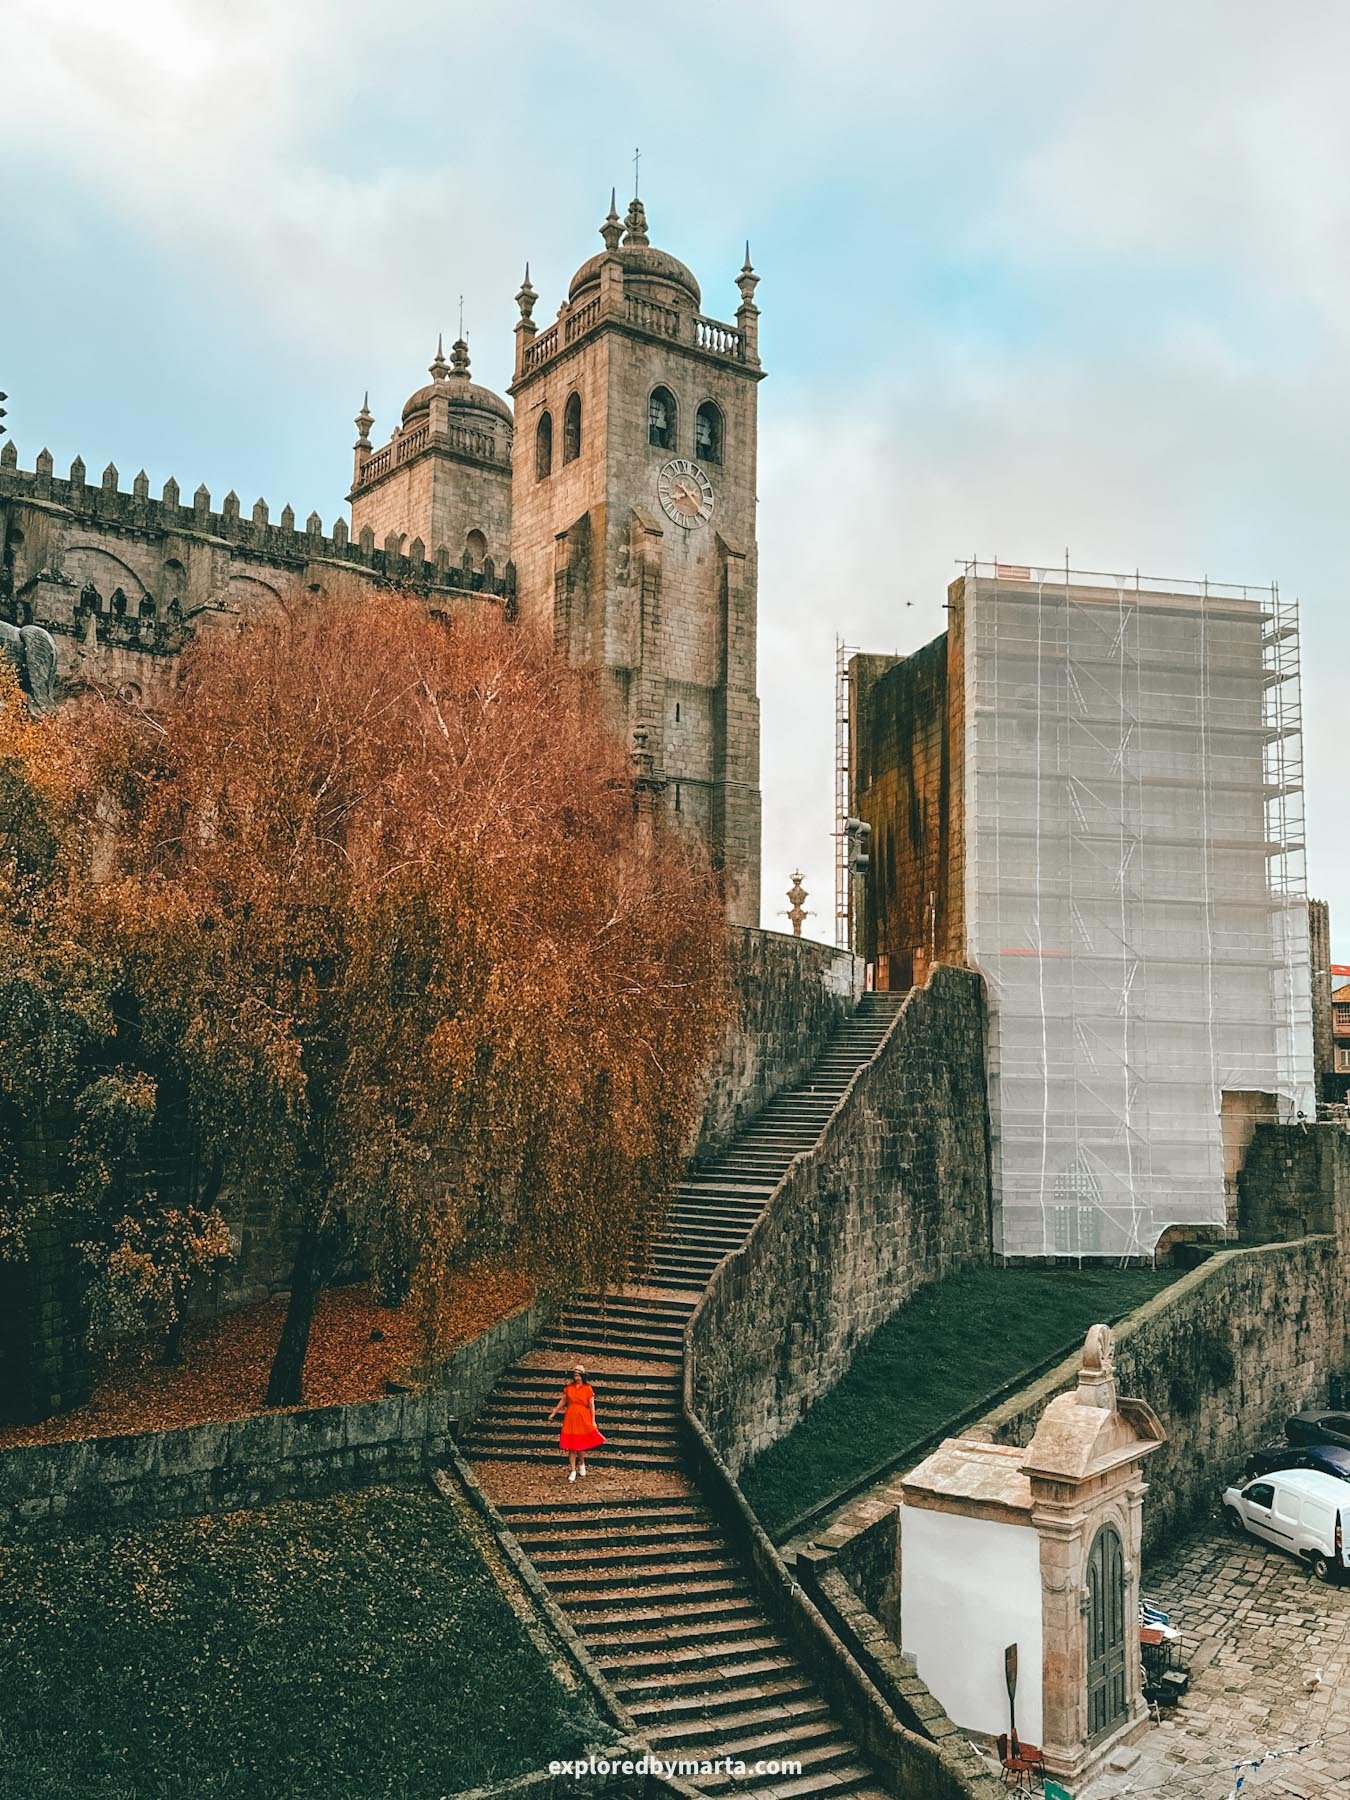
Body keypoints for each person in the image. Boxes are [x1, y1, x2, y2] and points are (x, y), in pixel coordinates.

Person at [548, 1364, 605, 1481]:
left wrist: (593, 1420)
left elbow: (591, 1405)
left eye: (578, 1375)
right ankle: (573, 1470)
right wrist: (554, 1412)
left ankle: (582, 1464)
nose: (576, 1378)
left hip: (582, 1416)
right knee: (571, 1445)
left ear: (582, 1376)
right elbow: (563, 1401)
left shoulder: (587, 1388)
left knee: (580, 1444)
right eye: (575, 1375)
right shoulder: (569, 1387)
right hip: (570, 1417)